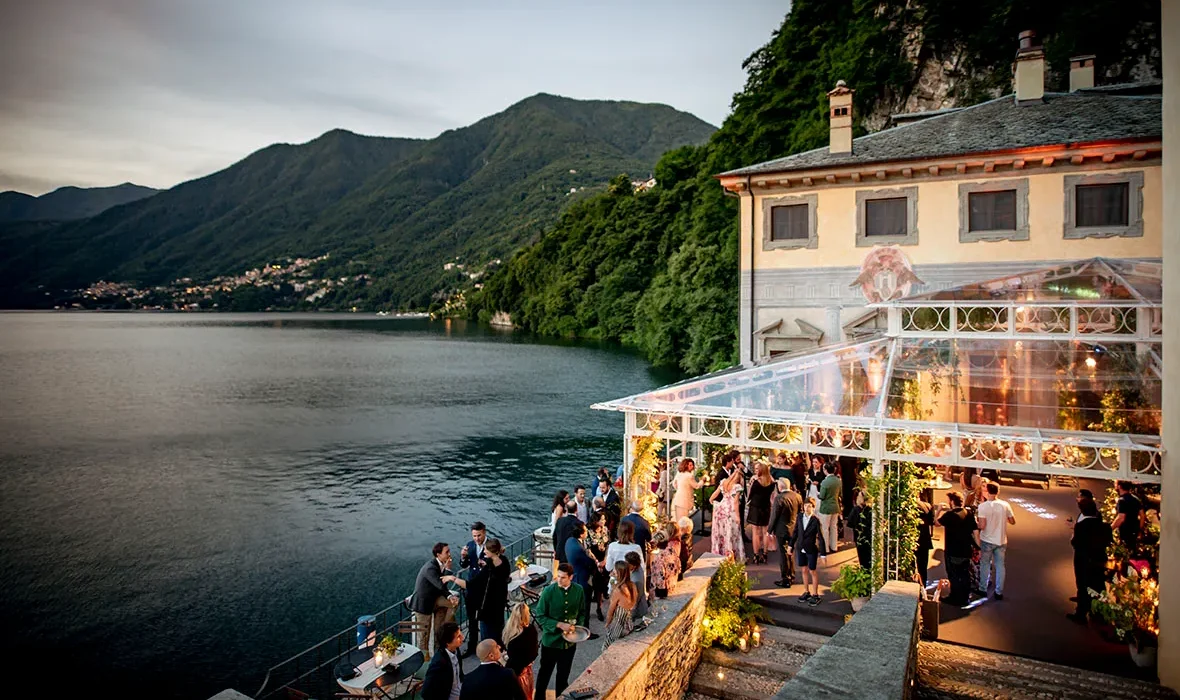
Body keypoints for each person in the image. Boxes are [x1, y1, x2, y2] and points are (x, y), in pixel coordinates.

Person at [533, 563, 586, 700]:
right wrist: (558, 625)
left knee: (563, 677)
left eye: (563, 578)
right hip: (551, 642)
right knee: (544, 676)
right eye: (558, 577)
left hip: (569, 644)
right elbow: (540, 615)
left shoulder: (579, 590)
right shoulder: (548, 591)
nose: (559, 580)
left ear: (571, 577)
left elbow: (582, 613)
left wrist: (577, 626)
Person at [410, 543, 460, 662]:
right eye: (446, 552)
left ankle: (440, 651)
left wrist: (450, 597)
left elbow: (442, 585)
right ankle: (424, 665)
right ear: (438, 554)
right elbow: (439, 584)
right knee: (423, 637)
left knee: (453, 605)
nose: (449, 554)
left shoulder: (441, 564)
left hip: (435, 600)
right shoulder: (430, 568)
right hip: (423, 605)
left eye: (449, 551)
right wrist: (448, 571)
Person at [1068, 498, 1112, 624]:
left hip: (1083, 560)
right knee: (1098, 584)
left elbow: (1075, 543)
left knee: (1082, 585)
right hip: (1100, 559)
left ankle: (1081, 614)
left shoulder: (1081, 526)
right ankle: (1099, 613)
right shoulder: (1105, 526)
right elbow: (1108, 541)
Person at [938, 492, 979, 607]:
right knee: (965, 573)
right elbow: (975, 532)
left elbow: (936, 523)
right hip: (966, 550)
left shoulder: (949, 515)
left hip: (953, 550)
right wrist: (978, 548)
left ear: (951, 502)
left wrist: (939, 510)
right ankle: (965, 596)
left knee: (954, 574)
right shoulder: (969, 513)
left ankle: (955, 597)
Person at [976, 482, 1016, 600]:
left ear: (987, 491)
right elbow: (1013, 521)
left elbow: (982, 526)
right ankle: (999, 591)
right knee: (1000, 566)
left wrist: (976, 523)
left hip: (987, 539)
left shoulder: (983, 506)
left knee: (985, 564)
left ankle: (982, 588)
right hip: (1001, 540)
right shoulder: (1005, 505)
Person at [564, 522, 601, 639]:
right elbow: (589, 562)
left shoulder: (569, 541)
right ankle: (585, 630)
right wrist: (594, 560)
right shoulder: (579, 549)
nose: (586, 533)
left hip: (574, 576)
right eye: (585, 531)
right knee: (585, 606)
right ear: (581, 534)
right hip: (582, 578)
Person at [474, 538, 511, 646]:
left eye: (485, 549)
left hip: (487, 606)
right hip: (499, 602)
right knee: (498, 631)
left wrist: (454, 579)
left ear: (492, 551)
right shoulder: (504, 561)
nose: (484, 551)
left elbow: (474, 583)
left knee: (487, 636)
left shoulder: (489, 565)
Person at [460, 639, 525, 700]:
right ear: (491, 656)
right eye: (496, 646)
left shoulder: (468, 679)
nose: (499, 647)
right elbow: (520, 697)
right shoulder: (508, 674)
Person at [459, 522, 488, 656]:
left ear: (484, 532)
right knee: (471, 619)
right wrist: (463, 557)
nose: (476, 538)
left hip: (486, 587)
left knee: (486, 618)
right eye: (474, 536)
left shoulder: (491, 546)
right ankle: (472, 648)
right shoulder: (470, 545)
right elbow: (464, 564)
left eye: (479, 535)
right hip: (471, 587)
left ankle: (487, 647)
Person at [791, 498, 827, 606]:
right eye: (805, 505)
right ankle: (806, 591)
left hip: (811, 548)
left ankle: (815, 594)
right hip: (800, 547)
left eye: (809, 506)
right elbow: (795, 532)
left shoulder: (815, 520)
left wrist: (823, 554)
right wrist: (790, 545)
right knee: (804, 569)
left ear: (813, 507)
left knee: (812, 571)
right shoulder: (800, 517)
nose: (807, 508)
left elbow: (820, 537)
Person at [768, 477, 801, 587]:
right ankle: (791, 574)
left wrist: (769, 530)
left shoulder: (779, 498)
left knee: (783, 554)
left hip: (782, 529)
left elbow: (774, 516)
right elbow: (800, 513)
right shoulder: (797, 496)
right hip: (794, 528)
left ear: (780, 486)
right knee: (791, 552)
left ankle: (785, 578)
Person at [503, 603, 539, 699]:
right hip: (523, 672)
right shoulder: (530, 630)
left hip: (510, 669)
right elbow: (533, 653)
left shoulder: (509, 630)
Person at [420, 621, 464, 700]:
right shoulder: (439, 663)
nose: (462, 638)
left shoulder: (456, 650)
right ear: (448, 643)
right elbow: (425, 692)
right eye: (458, 637)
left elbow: (460, 675)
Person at [710, 468, 745, 561]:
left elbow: (715, 494)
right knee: (732, 532)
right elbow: (736, 502)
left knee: (722, 531)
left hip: (721, 508)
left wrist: (711, 500)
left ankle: (721, 552)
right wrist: (738, 516)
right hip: (731, 510)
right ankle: (732, 555)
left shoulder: (723, 482)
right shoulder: (737, 487)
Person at [602, 560, 636, 650]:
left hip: (618, 623)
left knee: (607, 647)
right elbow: (633, 602)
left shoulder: (618, 590)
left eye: (614, 571)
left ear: (619, 573)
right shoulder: (632, 585)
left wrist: (607, 623)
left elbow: (610, 611)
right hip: (628, 621)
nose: (612, 572)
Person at [746, 460, 775, 564]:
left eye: (757, 469)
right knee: (765, 532)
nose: (755, 471)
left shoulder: (756, 482)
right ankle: (765, 554)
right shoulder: (772, 483)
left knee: (755, 533)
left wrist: (751, 484)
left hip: (755, 508)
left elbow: (749, 495)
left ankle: (756, 555)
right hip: (766, 507)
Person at [605, 520, 644, 592]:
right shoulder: (636, 547)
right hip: (630, 582)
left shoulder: (612, 546)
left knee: (613, 601)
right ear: (632, 533)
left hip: (615, 580)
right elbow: (642, 568)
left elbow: (608, 567)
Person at [586, 511, 611, 621]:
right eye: (602, 519)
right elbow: (588, 549)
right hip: (593, 561)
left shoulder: (605, 530)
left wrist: (605, 560)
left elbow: (608, 545)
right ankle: (594, 607)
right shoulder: (588, 532)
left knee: (602, 584)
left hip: (603, 560)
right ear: (596, 521)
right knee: (594, 585)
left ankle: (599, 607)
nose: (604, 521)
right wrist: (596, 562)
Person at [817, 462, 842, 554]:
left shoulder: (825, 482)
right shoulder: (838, 480)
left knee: (824, 528)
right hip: (835, 506)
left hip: (826, 507)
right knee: (834, 527)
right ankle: (834, 546)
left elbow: (822, 496)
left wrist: (818, 495)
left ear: (825, 470)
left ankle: (825, 548)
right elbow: (840, 494)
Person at [1113, 480, 1142, 553]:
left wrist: (1110, 528)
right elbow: (1142, 515)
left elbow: (1121, 518)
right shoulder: (1136, 499)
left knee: (1124, 554)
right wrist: (1140, 529)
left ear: (1119, 486)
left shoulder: (1122, 500)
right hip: (1134, 531)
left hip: (1125, 532)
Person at [650, 529, 680, 598]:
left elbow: (660, 579)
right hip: (673, 584)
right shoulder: (672, 550)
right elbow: (679, 566)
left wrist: (660, 595)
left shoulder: (659, 558)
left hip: (662, 592)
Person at [672, 458, 703, 523]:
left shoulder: (679, 474)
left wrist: (681, 489)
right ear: (685, 465)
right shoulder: (689, 476)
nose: (692, 467)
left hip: (678, 499)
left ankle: (679, 532)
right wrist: (702, 481)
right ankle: (683, 533)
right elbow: (696, 486)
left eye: (692, 465)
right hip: (684, 501)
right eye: (690, 465)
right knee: (684, 521)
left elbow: (674, 484)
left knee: (679, 521)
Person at [848, 490, 872, 569]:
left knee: (862, 557)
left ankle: (864, 571)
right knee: (869, 556)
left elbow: (850, 523)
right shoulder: (870, 510)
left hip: (859, 536)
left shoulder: (856, 510)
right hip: (869, 536)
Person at [552, 500, 580, 567]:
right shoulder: (579, 523)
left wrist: (556, 550)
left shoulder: (560, 521)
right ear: (576, 510)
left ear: (566, 509)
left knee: (560, 574)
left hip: (560, 554)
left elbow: (554, 537)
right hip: (572, 555)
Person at [915, 496, 935, 585]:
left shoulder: (910, 508)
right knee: (923, 566)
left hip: (914, 538)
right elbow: (931, 522)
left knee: (912, 565)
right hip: (924, 539)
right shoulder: (927, 506)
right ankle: (923, 586)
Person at [625, 550, 649, 619]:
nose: (626, 565)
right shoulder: (638, 568)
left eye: (627, 564)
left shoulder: (636, 580)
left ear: (634, 565)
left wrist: (630, 613)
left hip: (638, 610)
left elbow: (636, 598)